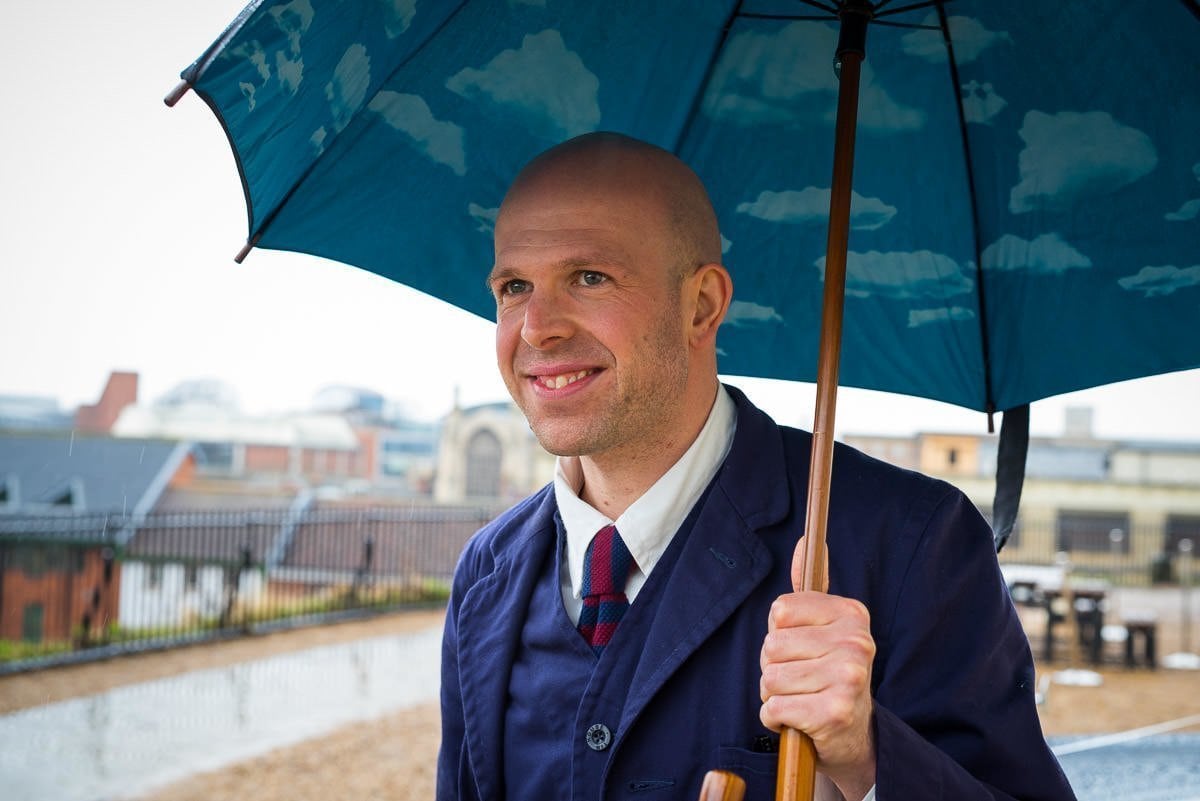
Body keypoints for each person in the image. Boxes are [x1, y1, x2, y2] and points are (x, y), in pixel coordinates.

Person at [437, 132, 1075, 801]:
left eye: (589, 277)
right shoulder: (487, 573)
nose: (536, 327)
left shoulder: (912, 542)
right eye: (514, 286)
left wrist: (868, 758)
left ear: (702, 305)